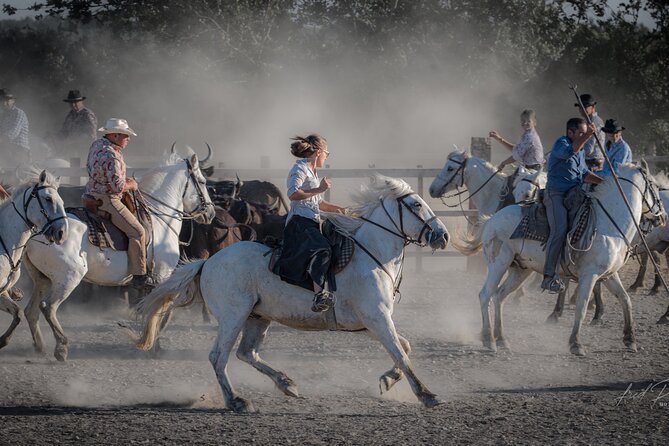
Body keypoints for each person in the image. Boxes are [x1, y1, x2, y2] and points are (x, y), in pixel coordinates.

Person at [275, 134, 346, 312]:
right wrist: (319, 189)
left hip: (311, 222)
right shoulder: (299, 168)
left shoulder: (313, 173)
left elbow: (318, 202)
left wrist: (341, 209)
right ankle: (319, 295)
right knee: (323, 249)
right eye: (327, 154)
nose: (326, 157)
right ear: (319, 152)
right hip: (299, 224)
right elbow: (293, 194)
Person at [85, 118, 154, 290]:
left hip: (90, 194)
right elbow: (117, 186)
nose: (128, 139)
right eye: (126, 135)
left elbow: (90, 168)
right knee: (138, 231)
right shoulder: (112, 155)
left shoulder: (96, 145)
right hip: (108, 199)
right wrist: (132, 184)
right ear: (115, 135)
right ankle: (140, 275)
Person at [542, 117, 603, 293]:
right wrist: (588, 135)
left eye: (586, 133)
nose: (585, 136)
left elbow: (583, 173)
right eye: (581, 133)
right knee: (559, 229)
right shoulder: (560, 143)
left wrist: (604, 181)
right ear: (570, 132)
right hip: (556, 195)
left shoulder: (581, 149)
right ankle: (548, 276)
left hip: (574, 194)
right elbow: (570, 152)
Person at [0, 89, 30, 166]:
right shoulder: (3, 115)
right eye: (2, 100)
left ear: (12, 101)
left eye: (6, 100)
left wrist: (2, 139)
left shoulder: (19, 113)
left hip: (19, 149)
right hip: (7, 148)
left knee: (15, 171)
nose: (3, 103)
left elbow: (13, 132)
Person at [575, 93, 605, 171]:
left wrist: (573, 150)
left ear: (593, 107)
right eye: (580, 107)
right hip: (592, 160)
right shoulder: (593, 120)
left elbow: (588, 150)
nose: (581, 110)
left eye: (585, 107)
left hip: (592, 162)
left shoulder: (593, 123)